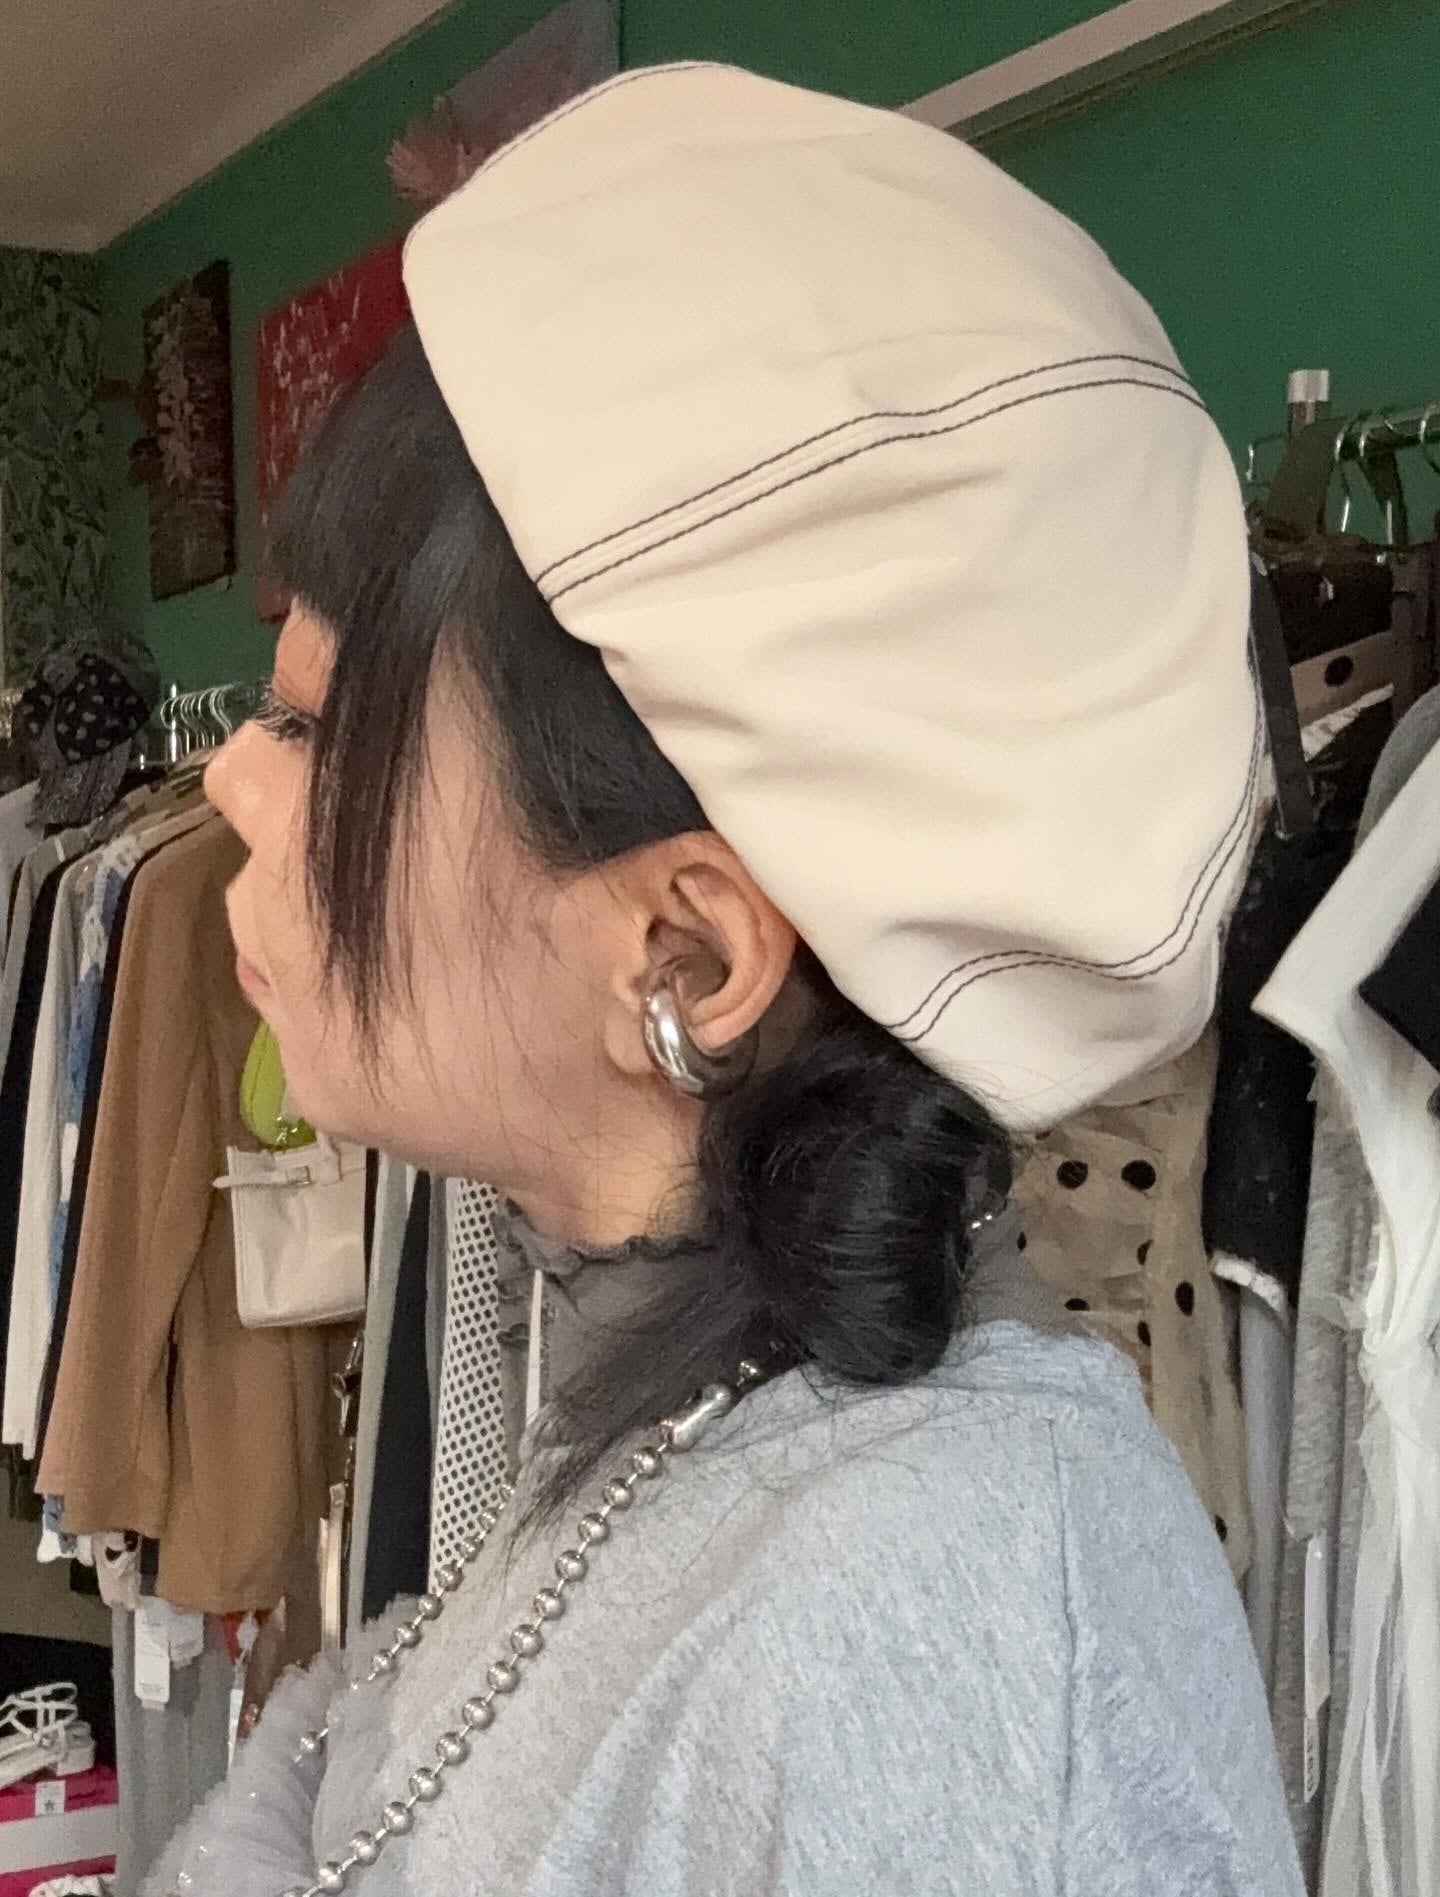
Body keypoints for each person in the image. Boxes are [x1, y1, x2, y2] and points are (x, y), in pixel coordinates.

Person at [159, 63, 1301, 1897]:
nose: (228, 780)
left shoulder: (943, 1651)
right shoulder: (669, 1390)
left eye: (313, 727)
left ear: (685, 949)